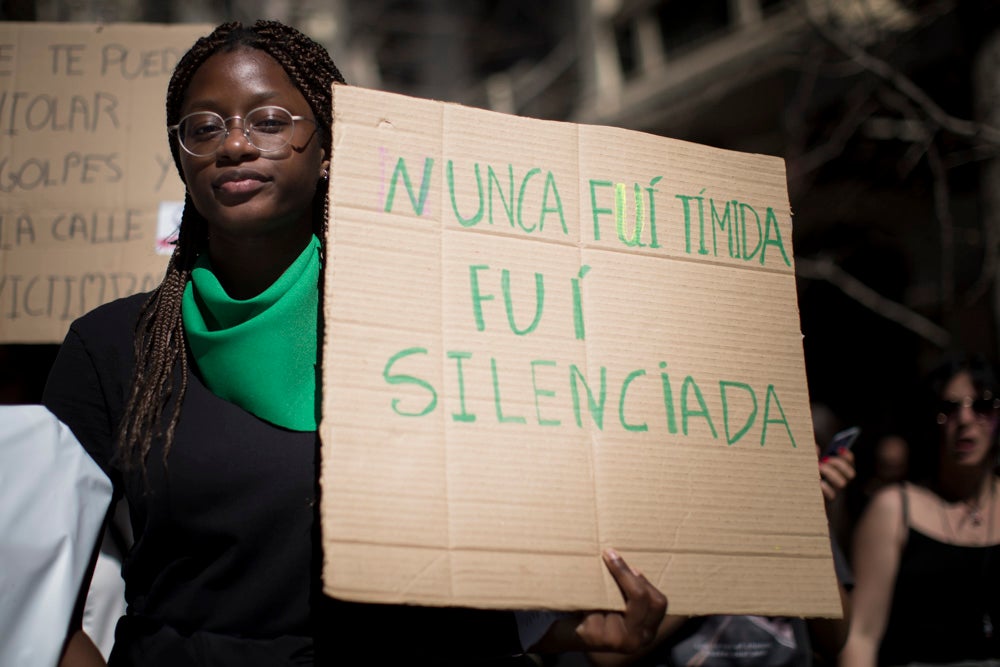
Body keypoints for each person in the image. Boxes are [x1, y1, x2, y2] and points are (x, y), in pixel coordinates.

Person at [42, 20, 666, 666]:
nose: (233, 143)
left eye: (270, 120)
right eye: (204, 127)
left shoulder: (422, 327)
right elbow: (37, 593)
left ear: (329, 147)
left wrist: (569, 630)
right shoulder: (111, 351)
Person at [577, 437, 855, 666]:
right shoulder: (645, 499)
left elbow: (833, 641)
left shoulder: (783, 492)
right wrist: (735, 525)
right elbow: (604, 655)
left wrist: (807, 521)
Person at [839, 353, 1000, 665]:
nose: (964, 420)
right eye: (948, 409)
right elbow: (861, 636)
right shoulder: (895, 508)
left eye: (982, 406)